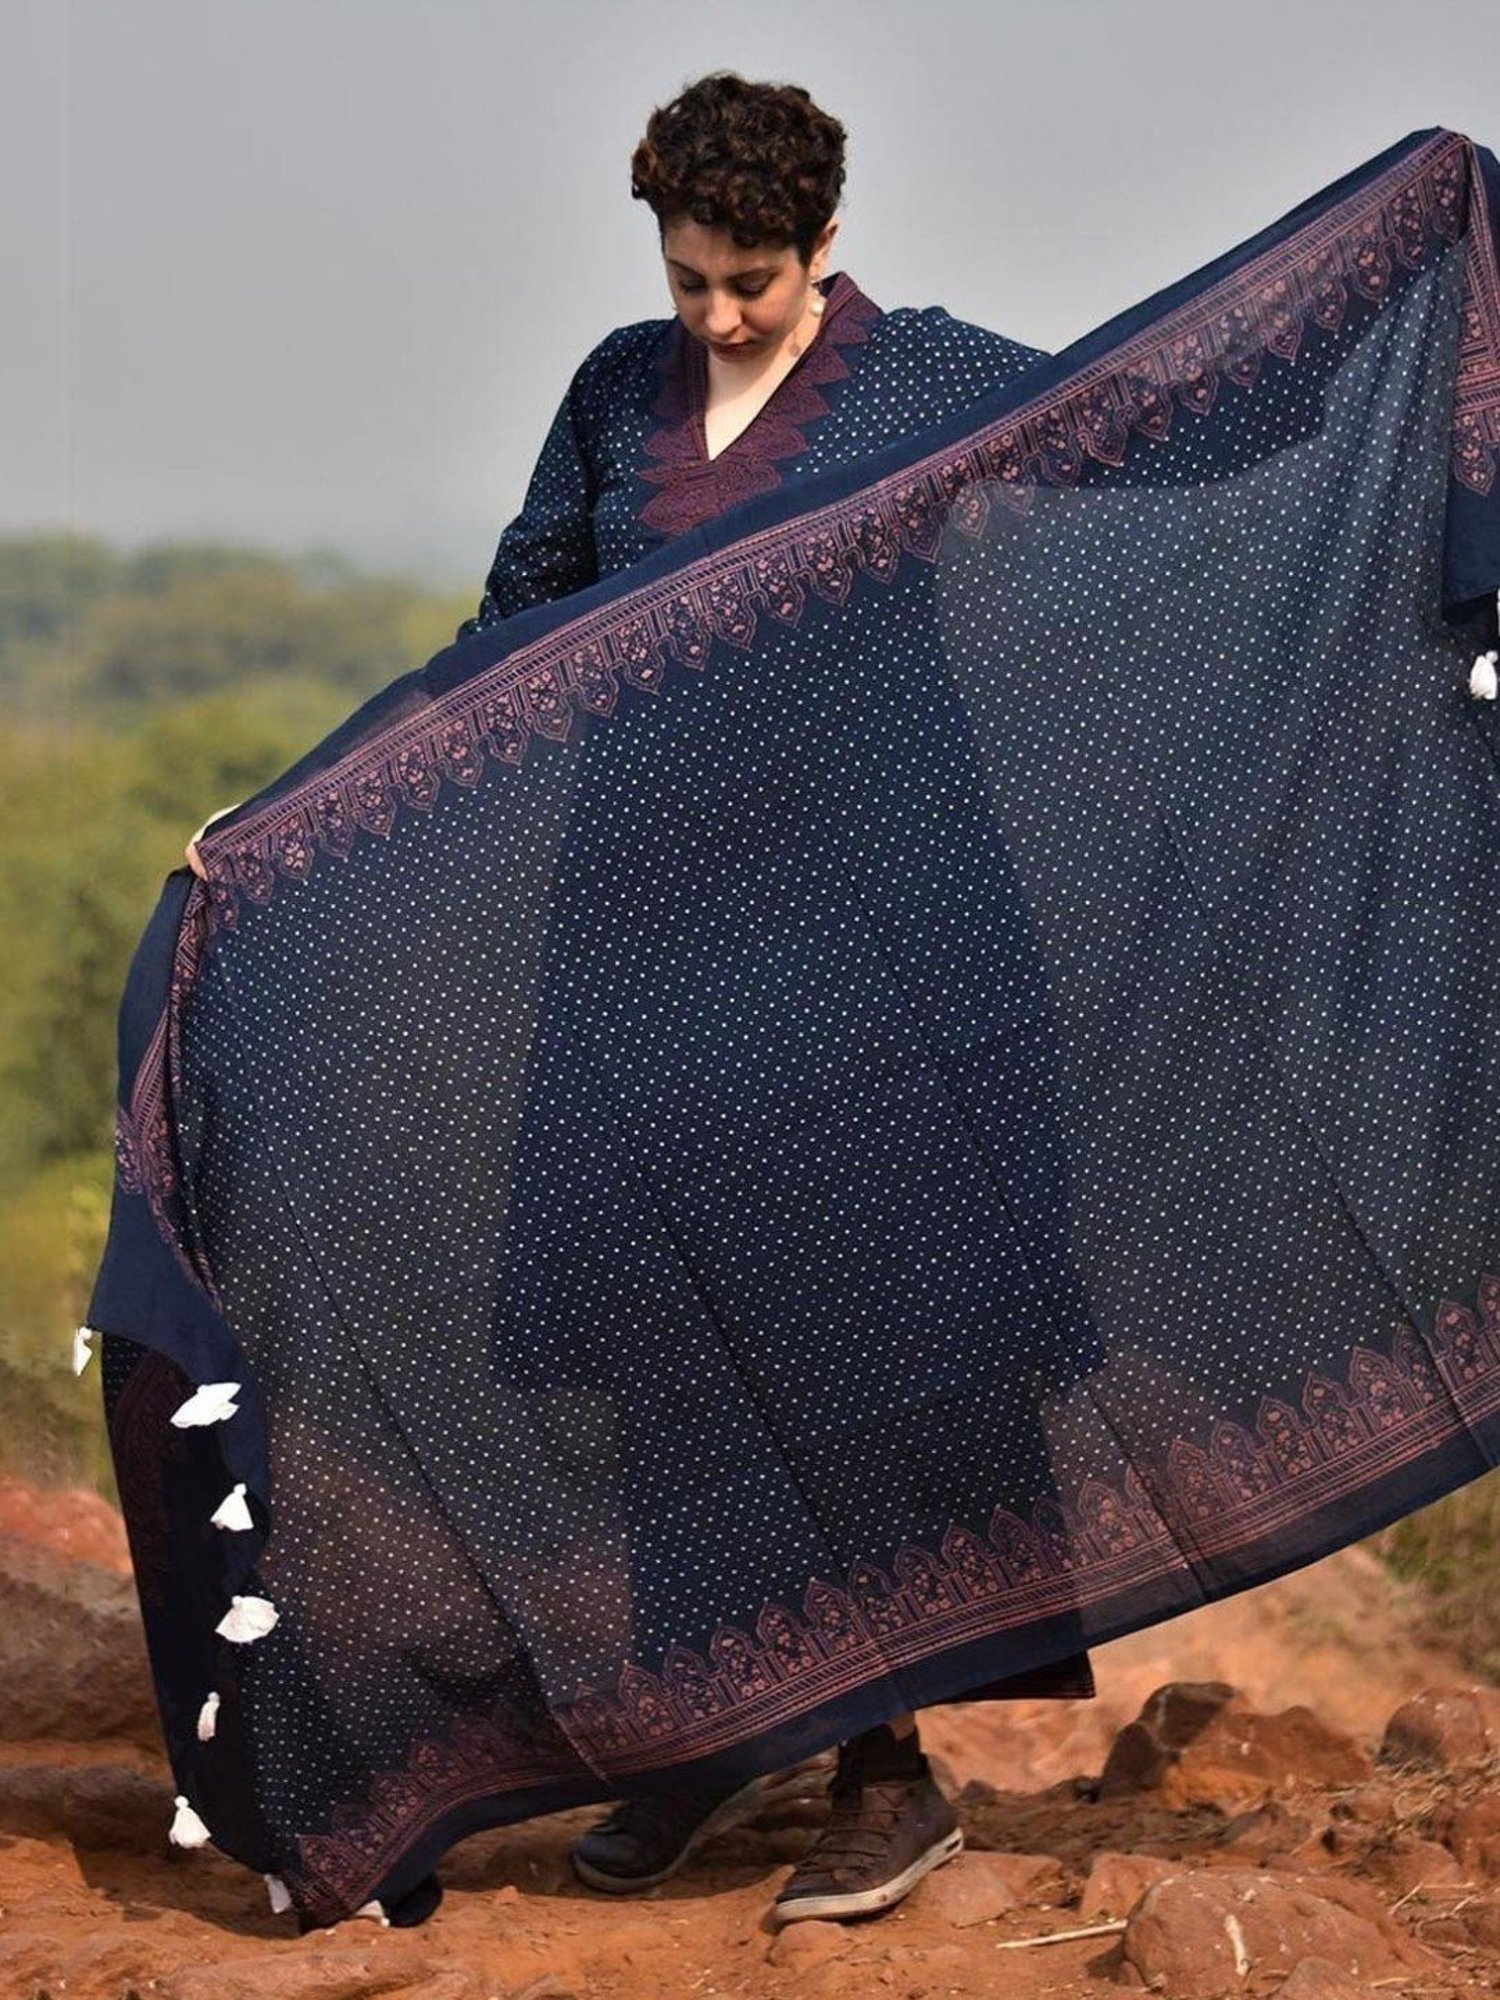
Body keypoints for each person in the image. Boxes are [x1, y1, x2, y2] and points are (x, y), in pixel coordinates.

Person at [183, 70, 1089, 1926]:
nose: (717, 313)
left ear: (827, 244)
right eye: (690, 276)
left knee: (868, 1347)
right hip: (651, 942)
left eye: (751, 276)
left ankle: (887, 1774)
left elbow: (1155, 414)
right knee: (669, 1337)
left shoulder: (923, 377)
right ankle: (706, 1736)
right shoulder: (616, 389)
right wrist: (297, 815)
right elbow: (515, 625)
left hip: (878, 947)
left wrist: (1417, 330)